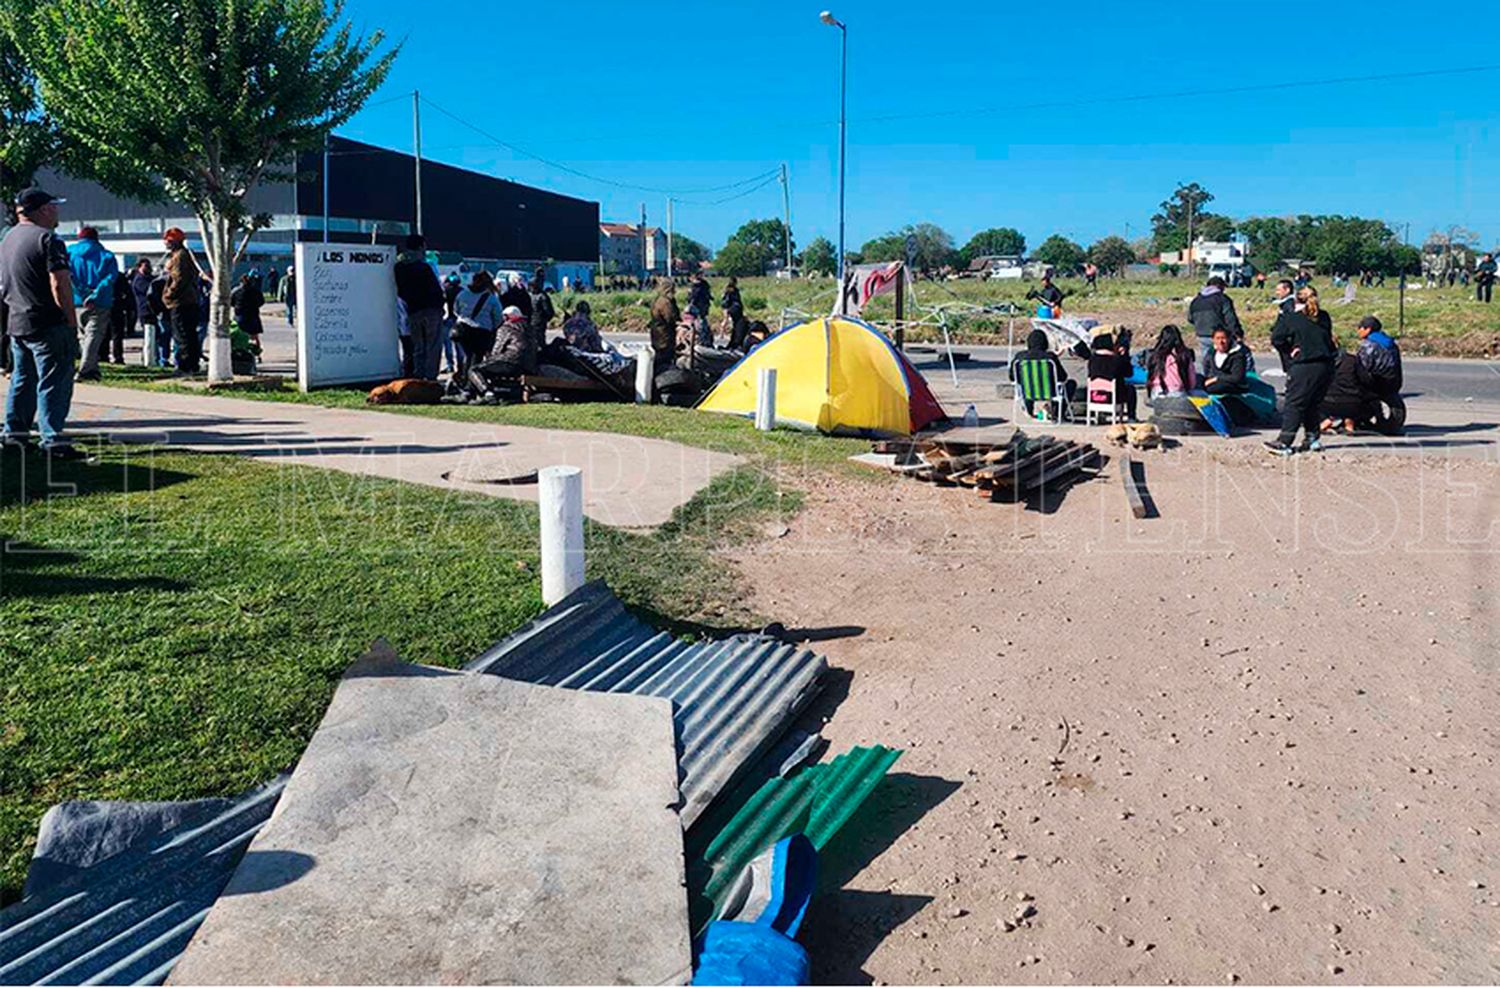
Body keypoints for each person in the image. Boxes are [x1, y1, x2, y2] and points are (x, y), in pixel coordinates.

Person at [1, 187, 87, 459]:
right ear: (43, 210)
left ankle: (14, 434)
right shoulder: (49, 239)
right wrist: (71, 322)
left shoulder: (8, 238)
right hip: (48, 322)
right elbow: (59, 282)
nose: (57, 211)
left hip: (18, 320)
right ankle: (52, 439)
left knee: (23, 380)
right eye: (54, 206)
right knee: (55, 381)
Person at [1266, 286, 1336, 455]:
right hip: (1326, 365)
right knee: (1312, 403)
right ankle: (1312, 439)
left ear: (1295, 300)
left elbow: (1276, 338)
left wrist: (1290, 349)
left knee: (1294, 403)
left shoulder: (1290, 318)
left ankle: (1285, 441)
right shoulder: (1324, 317)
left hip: (1304, 365)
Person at [67, 226, 118, 382]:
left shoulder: (69, 253)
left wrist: (82, 293)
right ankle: (86, 370)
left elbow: (67, 275)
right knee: (93, 336)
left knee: (83, 336)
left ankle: (92, 367)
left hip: (76, 300)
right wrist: (94, 295)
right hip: (100, 302)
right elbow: (109, 279)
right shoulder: (107, 256)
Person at [394, 233, 446, 380]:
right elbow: (436, 288)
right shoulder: (425, 267)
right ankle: (430, 378)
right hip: (431, 309)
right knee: (433, 345)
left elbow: (401, 290)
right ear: (422, 246)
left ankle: (418, 375)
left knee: (418, 346)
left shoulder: (399, 267)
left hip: (413, 310)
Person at [160, 227, 203, 374]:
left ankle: (186, 366)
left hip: (181, 302)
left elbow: (179, 279)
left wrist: (168, 295)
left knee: (182, 335)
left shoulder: (180, 256)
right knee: (188, 335)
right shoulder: (183, 255)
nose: (166, 243)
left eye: (168, 241)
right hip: (188, 301)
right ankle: (192, 364)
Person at [1354, 315, 1404, 434]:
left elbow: (1362, 366)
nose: (1358, 331)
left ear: (1368, 329)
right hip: (1393, 381)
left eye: (1360, 328)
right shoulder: (1391, 343)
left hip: (1376, 383)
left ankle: (1358, 418)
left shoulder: (1369, 345)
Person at [1009, 327, 1075, 416]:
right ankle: (1057, 412)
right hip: (1050, 391)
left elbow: (1013, 377)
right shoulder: (1050, 357)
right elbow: (1063, 377)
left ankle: (1029, 409)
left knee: (1025, 383)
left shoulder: (1020, 357)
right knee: (1071, 384)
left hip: (1027, 392)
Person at [452, 270, 503, 381]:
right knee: (477, 358)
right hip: (482, 331)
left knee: (467, 355)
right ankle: (473, 382)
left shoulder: (462, 294)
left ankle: (464, 378)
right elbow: (498, 317)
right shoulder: (491, 298)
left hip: (463, 329)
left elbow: (456, 310)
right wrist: (492, 327)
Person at [469, 304, 532, 391]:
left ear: (506, 317)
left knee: (474, 370)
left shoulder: (506, 328)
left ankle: (487, 393)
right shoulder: (530, 328)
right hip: (529, 365)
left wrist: (489, 360)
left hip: (510, 361)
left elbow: (497, 349)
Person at [1187, 276, 1242, 363]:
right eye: (1223, 287)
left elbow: (1190, 319)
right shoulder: (1223, 299)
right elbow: (1230, 318)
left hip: (1202, 335)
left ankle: (1208, 375)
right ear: (1219, 286)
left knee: (1207, 360)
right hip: (1220, 335)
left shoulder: (1196, 300)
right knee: (1223, 360)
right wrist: (1237, 333)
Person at [1084, 331, 1137, 419]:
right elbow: (1129, 373)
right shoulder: (1116, 360)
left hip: (1095, 396)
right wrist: (1124, 356)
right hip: (1112, 397)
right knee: (1130, 389)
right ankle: (1131, 416)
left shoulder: (1092, 360)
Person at [1145, 324, 1197, 398]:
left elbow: (1149, 378)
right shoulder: (1184, 355)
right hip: (1178, 392)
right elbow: (1192, 382)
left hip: (1157, 393)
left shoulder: (1155, 355)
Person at [1200, 326, 1250, 395]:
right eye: (1217, 338)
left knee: (1214, 388)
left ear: (1229, 339)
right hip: (1214, 381)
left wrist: (1216, 379)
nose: (1220, 342)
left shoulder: (1238, 355)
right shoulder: (1211, 353)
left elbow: (1237, 378)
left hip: (1233, 385)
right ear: (1213, 340)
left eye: (1223, 338)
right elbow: (1207, 370)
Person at [648, 278, 680, 368]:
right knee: (664, 359)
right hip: (664, 336)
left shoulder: (659, 300)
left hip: (659, 335)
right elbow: (670, 318)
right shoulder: (665, 302)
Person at [230, 271, 265, 352]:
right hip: (253, 315)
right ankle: (257, 353)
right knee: (254, 336)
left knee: (238, 335)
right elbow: (262, 301)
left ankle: (238, 351)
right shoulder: (255, 291)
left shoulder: (236, 291)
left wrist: (237, 306)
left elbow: (231, 301)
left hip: (240, 316)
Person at [527, 266, 555, 357]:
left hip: (530, 321)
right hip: (539, 321)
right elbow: (549, 311)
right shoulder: (542, 296)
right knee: (540, 341)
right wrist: (547, 318)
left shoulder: (528, 296)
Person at [108, 266, 133, 364]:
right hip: (117, 305)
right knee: (117, 334)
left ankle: (103, 355)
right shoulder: (120, 276)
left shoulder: (102, 274)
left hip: (105, 305)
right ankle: (118, 356)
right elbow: (127, 292)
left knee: (105, 333)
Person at [721, 276, 748, 349]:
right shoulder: (729, 292)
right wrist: (725, 317)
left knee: (739, 327)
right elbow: (725, 304)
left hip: (737, 312)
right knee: (739, 327)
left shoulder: (734, 291)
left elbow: (738, 302)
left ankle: (735, 344)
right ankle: (735, 344)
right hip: (734, 312)